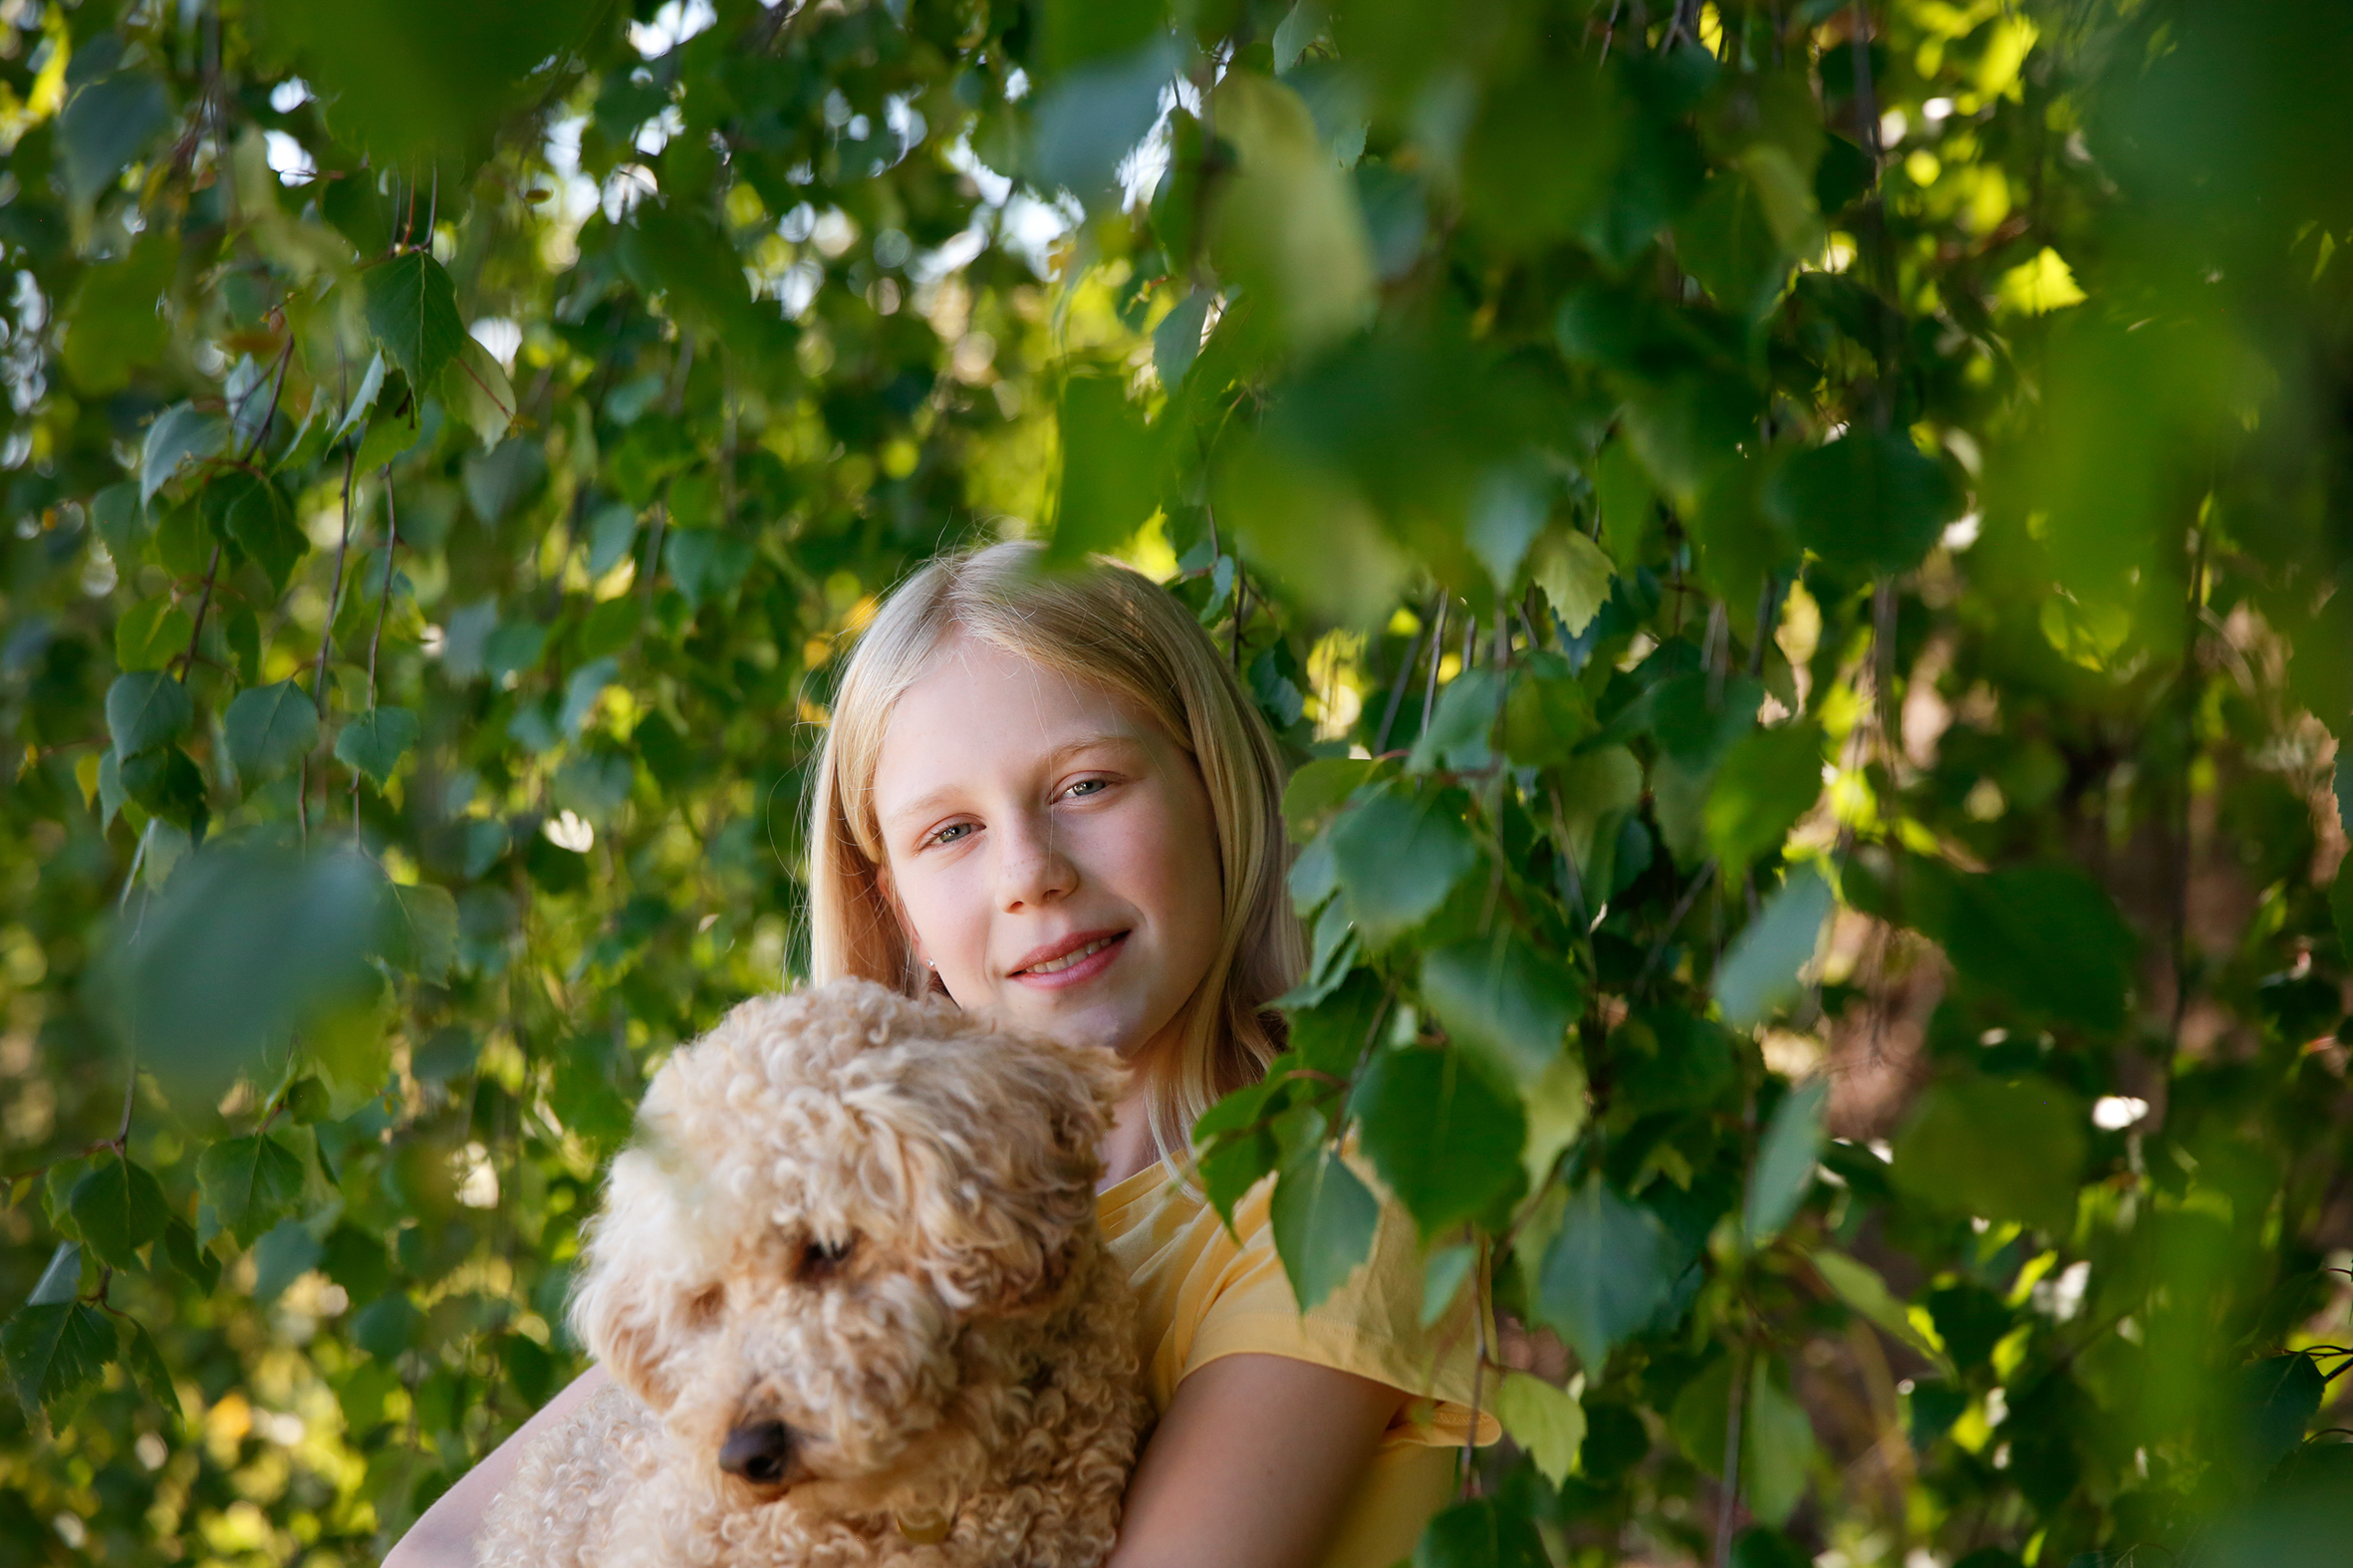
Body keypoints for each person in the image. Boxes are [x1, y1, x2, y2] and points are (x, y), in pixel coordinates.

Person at [386, 541, 1496, 1568]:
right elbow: (436, 1550)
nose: (1029, 872)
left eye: (1085, 785)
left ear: (1213, 785)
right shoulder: (845, 1202)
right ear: (901, 907)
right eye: (949, 831)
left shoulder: (1342, 1188)